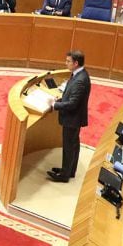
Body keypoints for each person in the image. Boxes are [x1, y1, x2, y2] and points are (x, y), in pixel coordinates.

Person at [47, 50, 90, 182]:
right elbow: (70, 96)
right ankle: (69, 170)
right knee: (73, 145)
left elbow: (72, 104)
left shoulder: (80, 80)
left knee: (69, 146)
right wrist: (60, 100)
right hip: (74, 118)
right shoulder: (79, 74)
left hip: (73, 118)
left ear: (76, 63)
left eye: (68, 61)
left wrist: (55, 105)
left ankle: (65, 175)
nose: (66, 63)